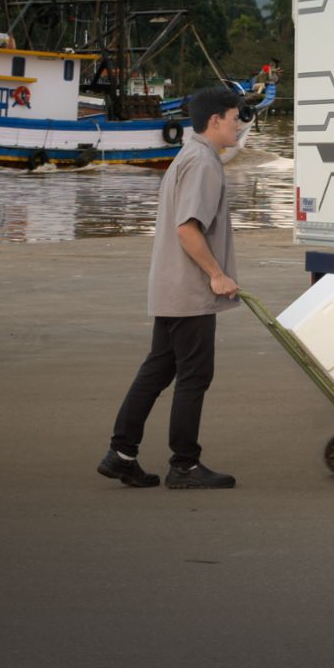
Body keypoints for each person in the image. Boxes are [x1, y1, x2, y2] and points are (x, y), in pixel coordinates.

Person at [97, 84, 245, 490]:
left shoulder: (188, 155)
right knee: (194, 376)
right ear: (214, 121)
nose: (240, 125)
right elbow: (187, 229)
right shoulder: (203, 163)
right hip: (191, 292)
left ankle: (121, 454)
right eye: (235, 118)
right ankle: (184, 465)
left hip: (170, 287)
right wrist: (216, 274)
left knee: (158, 369)